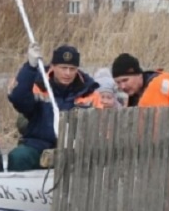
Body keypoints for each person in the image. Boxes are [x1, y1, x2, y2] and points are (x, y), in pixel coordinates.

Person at [7, 43, 102, 172]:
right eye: (63, 68)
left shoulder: (90, 92)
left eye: (72, 69)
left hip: (75, 150)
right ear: (53, 67)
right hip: (38, 144)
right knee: (18, 157)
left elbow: (100, 127)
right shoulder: (38, 84)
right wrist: (30, 66)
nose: (67, 73)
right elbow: (19, 99)